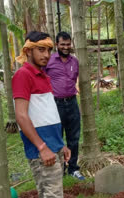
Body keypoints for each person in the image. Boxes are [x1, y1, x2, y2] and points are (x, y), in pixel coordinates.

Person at [12, 31, 71, 198]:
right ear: (28, 51)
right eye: (40, 50)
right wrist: (42, 147)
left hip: (53, 148)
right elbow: (21, 116)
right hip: (42, 151)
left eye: (48, 50)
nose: (46, 55)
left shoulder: (43, 76)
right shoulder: (23, 75)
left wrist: (61, 145)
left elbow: (46, 114)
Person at [45, 32, 84, 180]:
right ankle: (59, 169)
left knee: (74, 137)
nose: (66, 47)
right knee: (57, 137)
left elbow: (75, 81)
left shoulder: (74, 61)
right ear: (57, 45)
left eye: (68, 44)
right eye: (63, 44)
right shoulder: (49, 61)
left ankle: (73, 169)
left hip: (72, 102)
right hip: (55, 104)